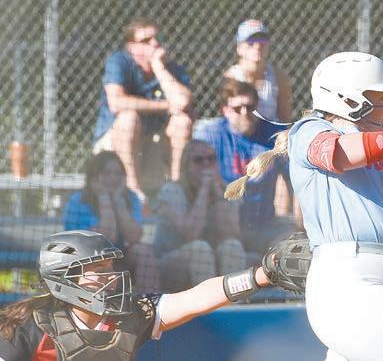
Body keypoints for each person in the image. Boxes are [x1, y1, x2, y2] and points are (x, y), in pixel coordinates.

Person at [227, 52, 383, 360]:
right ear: (345, 99)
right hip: (351, 284)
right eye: (379, 99)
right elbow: (337, 154)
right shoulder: (311, 129)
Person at [0, 230, 271, 361]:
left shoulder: (130, 314)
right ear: (64, 278)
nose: (111, 277)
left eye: (110, 268)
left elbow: (196, 298)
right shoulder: (26, 326)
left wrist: (262, 275)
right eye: (99, 270)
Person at [92, 18, 193, 199]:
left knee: (182, 121)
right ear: (131, 47)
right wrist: (165, 105)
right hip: (115, 144)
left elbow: (183, 102)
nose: (154, 44)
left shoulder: (170, 69)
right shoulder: (119, 61)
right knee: (128, 119)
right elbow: (116, 102)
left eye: (157, 39)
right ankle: (132, 192)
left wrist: (158, 67)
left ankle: (176, 190)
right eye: (146, 41)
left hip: (153, 146)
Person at [194, 79, 296, 256]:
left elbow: (296, 182)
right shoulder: (210, 135)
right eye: (237, 108)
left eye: (250, 107)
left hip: (264, 225)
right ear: (224, 110)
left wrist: (299, 222)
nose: (245, 113)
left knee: (291, 240)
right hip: (222, 228)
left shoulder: (273, 135)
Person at [152, 140, 246, 292]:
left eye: (211, 159)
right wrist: (204, 190)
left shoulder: (227, 190)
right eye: (198, 160)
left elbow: (232, 234)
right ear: (186, 166)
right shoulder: (172, 190)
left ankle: (235, 304)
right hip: (169, 264)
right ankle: (208, 303)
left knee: (232, 247)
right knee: (200, 249)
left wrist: (218, 193)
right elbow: (191, 235)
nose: (206, 164)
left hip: (211, 262)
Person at [63, 151, 160, 293]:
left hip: (119, 256)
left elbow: (134, 236)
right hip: (87, 260)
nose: (113, 178)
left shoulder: (130, 197)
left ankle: (148, 300)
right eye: (106, 173)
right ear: (94, 177)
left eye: (117, 173)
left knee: (145, 252)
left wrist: (118, 201)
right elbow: (105, 240)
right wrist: (104, 199)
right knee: (101, 259)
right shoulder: (78, 200)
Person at [223, 19, 293, 122]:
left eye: (262, 40)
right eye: (251, 41)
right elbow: (228, 119)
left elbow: (285, 120)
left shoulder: (279, 77)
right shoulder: (231, 78)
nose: (257, 46)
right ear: (239, 48)